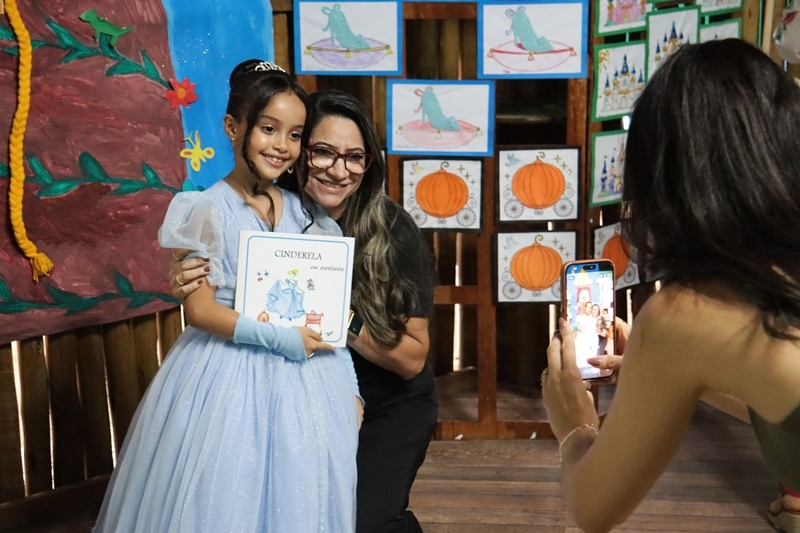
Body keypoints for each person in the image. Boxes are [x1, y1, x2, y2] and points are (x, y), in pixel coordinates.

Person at [541, 40, 800, 533]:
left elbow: (594, 509)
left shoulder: (686, 315)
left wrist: (573, 423)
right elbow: (781, 400)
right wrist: (655, 370)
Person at [94, 60, 362, 532]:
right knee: (224, 489)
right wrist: (282, 339)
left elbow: (328, 309)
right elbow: (199, 310)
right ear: (233, 126)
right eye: (268, 129)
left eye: (295, 135)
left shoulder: (306, 214)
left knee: (299, 488)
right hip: (227, 374)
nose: (281, 146)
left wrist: (351, 387)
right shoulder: (205, 209)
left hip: (308, 380)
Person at [172, 88, 438, 532]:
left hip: (387, 400)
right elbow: (231, 282)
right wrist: (186, 273)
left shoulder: (394, 232)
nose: (339, 169)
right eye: (323, 152)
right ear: (299, 152)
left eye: (355, 157)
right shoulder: (275, 210)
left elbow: (412, 359)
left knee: (360, 521)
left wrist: (335, 314)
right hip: (299, 392)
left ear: (369, 164)